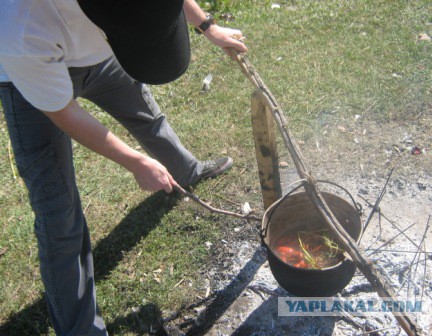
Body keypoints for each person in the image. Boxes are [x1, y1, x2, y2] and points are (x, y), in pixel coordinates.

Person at [0, 0, 247, 335]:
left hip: (100, 54)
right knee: (57, 209)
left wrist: (207, 26)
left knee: (145, 113)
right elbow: (64, 113)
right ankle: (80, 330)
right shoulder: (20, 28)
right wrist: (135, 161)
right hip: (25, 78)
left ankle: (186, 171)